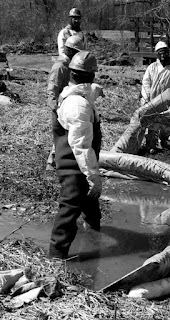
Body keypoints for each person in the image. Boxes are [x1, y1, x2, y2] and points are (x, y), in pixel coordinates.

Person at [49, 51, 102, 259]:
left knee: (91, 206)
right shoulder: (77, 105)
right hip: (75, 168)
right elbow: (81, 147)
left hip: (76, 165)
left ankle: (93, 237)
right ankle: (56, 257)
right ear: (91, 76)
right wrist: (93, 177)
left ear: (72, 74)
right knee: (69, 210)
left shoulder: (74, 95)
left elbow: (90, 92)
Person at [46, 34, 87, 169]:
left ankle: (62, 161)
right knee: (60, 135)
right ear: (70, 51)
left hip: (68, 105)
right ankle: (52, 163)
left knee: (68, 135)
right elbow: (52, 90)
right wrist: (56, 108)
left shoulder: (70, 66)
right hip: (59, 107)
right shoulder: (60, 67)